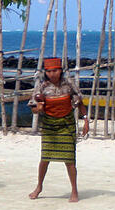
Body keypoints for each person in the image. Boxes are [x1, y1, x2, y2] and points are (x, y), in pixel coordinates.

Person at [28, 57, 89, 202]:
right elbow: (34, 108)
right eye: (49, 71)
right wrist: (39, 108)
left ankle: (74, 190)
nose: (52, 74)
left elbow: (80, 102)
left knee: (70, 160)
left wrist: (86, 120)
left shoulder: (69, 85)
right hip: (49, 126)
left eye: (55, 71)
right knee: (45, 158)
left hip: (66, 125)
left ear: (60, 71)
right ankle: (39, 186)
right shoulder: (42, 87)